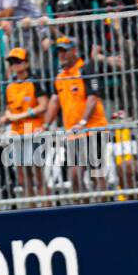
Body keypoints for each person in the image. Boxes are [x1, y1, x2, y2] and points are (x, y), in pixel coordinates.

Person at [45, 36, 108, 194]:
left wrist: (83, 121)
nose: (61, 55)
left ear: (74, 51)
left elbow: (93, 97)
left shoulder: (86, 69)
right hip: (74, 133)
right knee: (75, 176)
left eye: (65, 51)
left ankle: (105, 211)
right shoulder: (60, 76)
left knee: (97, 174)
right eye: (59, 52)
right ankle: (84, 212)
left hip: (93, 129)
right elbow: (54, 101)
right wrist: (45, 125)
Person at [0, 46, 50, 204]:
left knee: (38, 174)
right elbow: (8, 108)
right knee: (23, 176)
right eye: (12, 62)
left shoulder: (34, 83)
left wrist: (20, 115)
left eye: (18, 62)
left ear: (26, 64)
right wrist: (7, 117)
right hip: (17, 132)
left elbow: (43, 105)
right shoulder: (10, 86)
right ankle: (31, 210)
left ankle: (48, 209)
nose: (15, 65)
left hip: (32, 130)